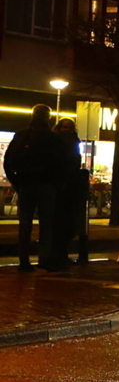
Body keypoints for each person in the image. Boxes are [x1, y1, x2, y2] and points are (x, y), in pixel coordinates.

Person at [2, 105, 65, 272]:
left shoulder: (22, 135)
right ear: (48, 117)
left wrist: (16, 182)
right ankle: (44, 259)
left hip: (26, 184)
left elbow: (8, 161)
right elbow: (61, 164)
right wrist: (57, 184)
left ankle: (24, 260)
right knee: (46, 223)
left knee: (25, 223)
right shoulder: (52, 138)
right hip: (46, 185)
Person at [48, 118, 83, 270]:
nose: (66, 130)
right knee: (58, 223)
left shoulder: (73, 142)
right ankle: (56, 255)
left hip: (69, 188)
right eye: (64, 127)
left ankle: (60, 254)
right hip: (59, 187)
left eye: (69, 127)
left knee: (67, 224)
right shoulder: (56, 142)